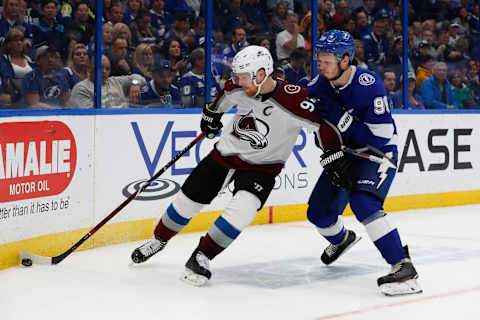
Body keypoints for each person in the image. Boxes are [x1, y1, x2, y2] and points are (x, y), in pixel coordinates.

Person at [129, 45, 342, 286]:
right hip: (224, 155)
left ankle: (201, 256)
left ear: (261, 74)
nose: (237, 82)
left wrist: (333, 153)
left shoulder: (295, 100)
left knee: (242, 211)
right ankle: (159, 240)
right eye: (237, 76)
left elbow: (324, 127)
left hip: (262, 168)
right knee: (186, 203)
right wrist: (210, 116)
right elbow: (219, 104)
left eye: (243, 77)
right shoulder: (238, 87)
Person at [305, 30, 422, 296]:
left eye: (326, 59)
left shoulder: (368, 84)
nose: (320, 64)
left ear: (345, 60)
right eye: (318, 58)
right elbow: (300, 100)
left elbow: (379, 137)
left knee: (363, 202)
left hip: (377, 153)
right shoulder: (322, 81)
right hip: (346, 153)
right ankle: (342, 239)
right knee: (318, 214)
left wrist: (340, 119)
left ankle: (404, 268)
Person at [69, 55, 146, 108]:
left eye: (107, 69)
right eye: (100, 67)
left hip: (125, 121)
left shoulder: (116, 81)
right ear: (89, 68)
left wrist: (135, 83)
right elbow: (88, 116)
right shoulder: (81, 88)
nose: (104, 71)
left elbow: (139, 78)